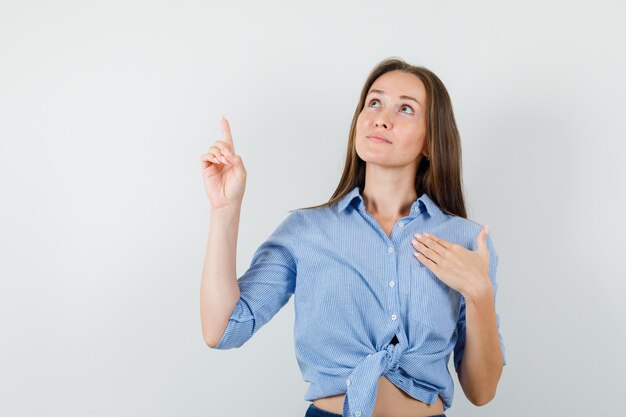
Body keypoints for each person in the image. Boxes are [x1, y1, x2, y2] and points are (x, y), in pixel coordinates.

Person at [199, 57, 506, 417]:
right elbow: (222, 329)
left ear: (430, 140)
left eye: (405, 109)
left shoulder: (466, 241)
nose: (381, 117)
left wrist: (479, 293)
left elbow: (482, 391)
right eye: (373, 102)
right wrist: (224, 211)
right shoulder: (306, 231)